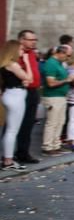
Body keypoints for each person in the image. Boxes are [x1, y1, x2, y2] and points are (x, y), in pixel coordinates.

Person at [0, 40, 31, 171]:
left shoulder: (5, 64)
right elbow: (29, 77)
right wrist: (27, 62)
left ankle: (7, 158)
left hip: (9, 94)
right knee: (12, 131)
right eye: (20, 49)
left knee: (9, 130)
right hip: (15, 96)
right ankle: (8, 160)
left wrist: (24, 81)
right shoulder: (13, 65)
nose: (22, 52)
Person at [40, 44, 74, 156]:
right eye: (67, 55)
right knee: (52, 122)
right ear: (61, 53)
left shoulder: (59, 63)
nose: (68, 58)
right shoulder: (51, 63)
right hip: (53, 96)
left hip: (60, 96)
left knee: (60, 122)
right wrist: (67, 80)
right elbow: (50, 83)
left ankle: (56, 145)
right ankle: (47, 146)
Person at [14, 30, 41, 165]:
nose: (34, 42)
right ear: (21, 40)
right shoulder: (17, 54)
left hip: (33, 91)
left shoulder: (32, 53)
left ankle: (23, 152)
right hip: (22, 91)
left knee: (28, 124)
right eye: (31, 39)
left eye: (35, 39)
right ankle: (11, 154)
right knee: (15, 125)